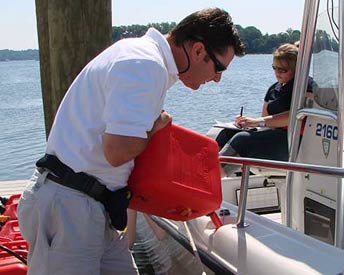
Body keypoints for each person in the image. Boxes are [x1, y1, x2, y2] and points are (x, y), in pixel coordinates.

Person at [17, 8, 245, 275]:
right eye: (218, 68)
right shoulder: (146, 65)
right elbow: (117, 150)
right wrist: (154, 129)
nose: (217, 79)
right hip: (70, 208)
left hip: (90, 204)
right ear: (197, 51)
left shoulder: (139, 55)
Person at [217, 43, 314, 177]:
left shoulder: (306, 87)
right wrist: (247, 123)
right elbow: (265, 117)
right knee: (226, 133)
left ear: (296, 69)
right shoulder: (275, 88)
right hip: (273, 134)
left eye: (283, 70)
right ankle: (206, 169)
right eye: (275, 68)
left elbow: (295, 115)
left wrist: (257, 121)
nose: (277, 73)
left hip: (294, 140)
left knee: (242, 140)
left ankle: (212, 176)